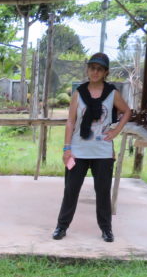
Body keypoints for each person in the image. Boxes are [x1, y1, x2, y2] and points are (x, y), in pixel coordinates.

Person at [52, 53, 132, 243]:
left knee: (103, 191)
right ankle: (61, 227)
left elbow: (127, 111)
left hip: (102, 152)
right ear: (87, 70)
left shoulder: (112, 93)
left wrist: (116, 131)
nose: (95, 72)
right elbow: (71, 122)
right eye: (92, 68)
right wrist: (67, 148)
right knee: (71, 190)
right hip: (78, 150)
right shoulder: (79, 93)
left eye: (99, 69)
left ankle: (106, 229)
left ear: (105, 72)